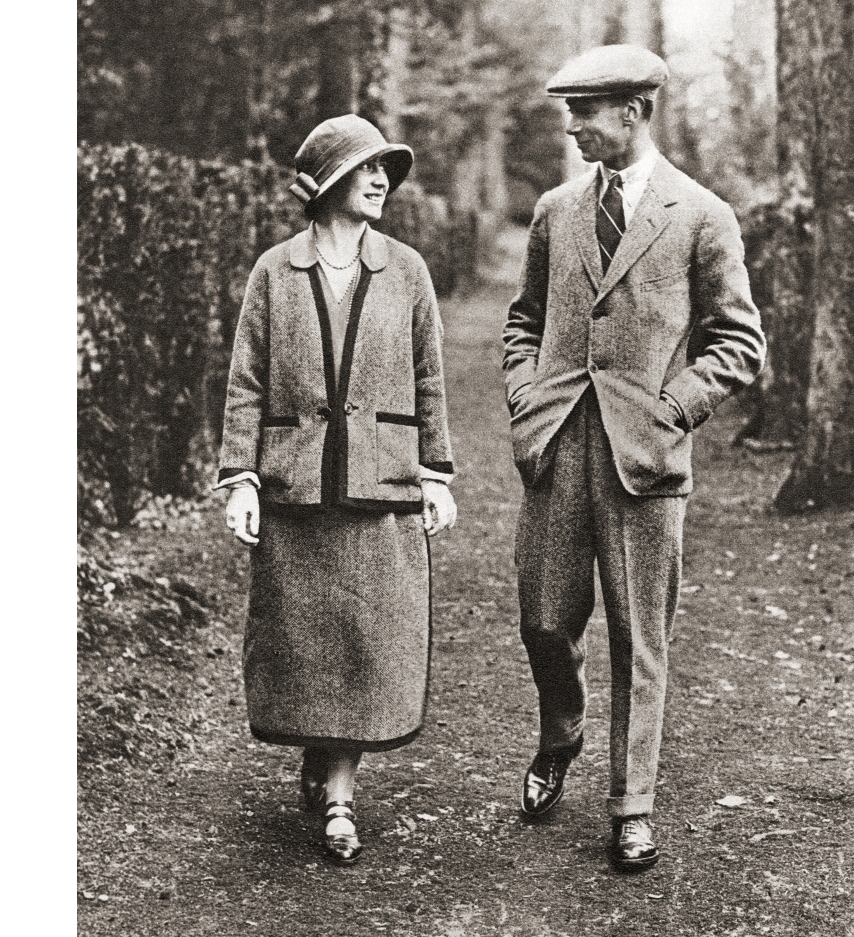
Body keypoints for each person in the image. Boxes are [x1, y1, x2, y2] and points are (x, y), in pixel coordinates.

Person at [502, 44, 766, 871]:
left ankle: (632, 803)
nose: (574, 126)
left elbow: (738, 341)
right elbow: (524, 319)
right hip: (558, 444)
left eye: (587, 112)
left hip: (645, 454)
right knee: (545, 620)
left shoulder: (699, 214)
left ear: (635, 112)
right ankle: (562, 732)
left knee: (639, 636)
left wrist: (674, 406)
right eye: (569, 111)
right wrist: (526, 393)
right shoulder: (556, 210)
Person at [217, 114, 457, 864]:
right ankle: (320, 758)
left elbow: (429, 377)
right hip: (296, 486)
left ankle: (341, 800)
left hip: (379, 485)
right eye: (365, 169)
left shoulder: (407, 269)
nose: (382, 180)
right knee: (306, 645)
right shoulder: (273, 272)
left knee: (363, 645)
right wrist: (240, 477)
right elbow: (246, 381)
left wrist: (437, 473)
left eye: (386, 168)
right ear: (325, 184)